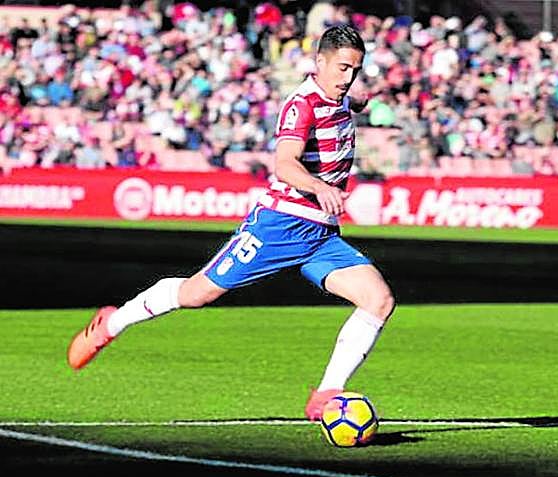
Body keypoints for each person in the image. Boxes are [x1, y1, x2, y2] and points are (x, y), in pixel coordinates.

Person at [67, 24, 395, 422]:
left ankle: (326, 395)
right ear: (319, 62)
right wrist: (318, 186)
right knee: (197, 293)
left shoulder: (341, 97)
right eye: (342, 68)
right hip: (280, 224)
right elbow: (285, 164)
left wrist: (355, 100)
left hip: (321, 234)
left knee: (378, 300)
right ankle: (112, 323)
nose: (348, 77)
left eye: (355, 70)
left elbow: (346, 101)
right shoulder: (301, 105)